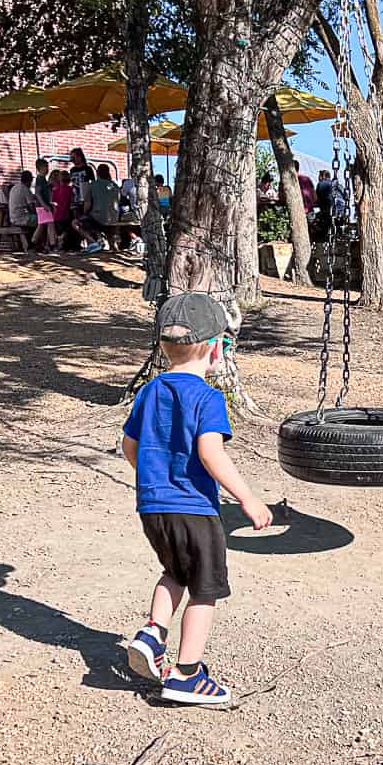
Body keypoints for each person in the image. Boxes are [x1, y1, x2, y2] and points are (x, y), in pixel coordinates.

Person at [122, 292, 271, 704]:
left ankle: (153, 633)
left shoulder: (150, 391)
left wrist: (155, 479)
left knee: (174, 572)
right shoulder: (207, 398)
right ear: (215, 347)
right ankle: (186, 674)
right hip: (194, 510)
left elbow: (129, 447)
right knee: (204, 590)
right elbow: (210, 452)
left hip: (153, 508)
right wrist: (247, 499)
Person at [77, 163, 118, 252]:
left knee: (77, 223)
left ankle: (95, 242)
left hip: (99, 217)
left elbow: (87, 204)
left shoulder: (93, 185)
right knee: (105, 226)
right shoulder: (114, 185)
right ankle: (111, 246)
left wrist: (84, 212)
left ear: (97, 173)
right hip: (114, 217)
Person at [31, 158, 56, 252]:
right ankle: (53, 244)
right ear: (40, 168)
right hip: (42, 205)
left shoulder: (43, 179)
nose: (47, 169)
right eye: (46, 167)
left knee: (42, 225)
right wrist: (44, 205)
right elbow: (37, 193)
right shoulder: (40, 179)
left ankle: (33, 243)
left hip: (42, 205)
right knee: (50, 223)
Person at [50, 168, 76, 249]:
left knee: (59, 230)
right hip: (66, 214)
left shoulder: (54, 190)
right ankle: (63, 241)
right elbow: (72, 202)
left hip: (57, 215)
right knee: (68, 229)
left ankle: (59, 244)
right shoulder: (70, 189)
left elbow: (53, 203)